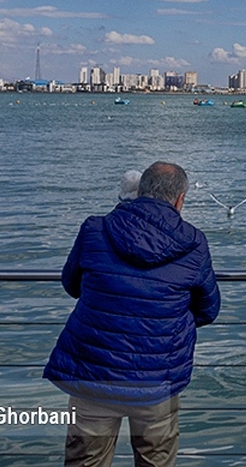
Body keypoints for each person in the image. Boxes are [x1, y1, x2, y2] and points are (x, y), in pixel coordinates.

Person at [44, 161, 221, 467]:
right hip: (157, 378)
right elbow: (208, 309)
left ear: (140, 191)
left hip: (94, 374)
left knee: (85, 461)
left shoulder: (95, 228)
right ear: (180, 199)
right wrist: (165, 320)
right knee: (155, 461)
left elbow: (71, 284)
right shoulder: (194, 243)